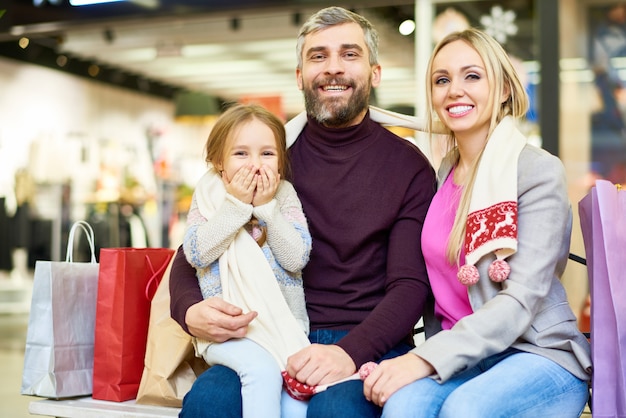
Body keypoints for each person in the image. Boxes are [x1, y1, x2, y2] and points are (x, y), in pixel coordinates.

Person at [169, 6, 437, 418]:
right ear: (300, 76)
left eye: (349, 55)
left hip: (366, 340)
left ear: (375, 73)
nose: (333, 68)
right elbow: (193, 253)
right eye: (318, 56)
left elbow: (410, 287)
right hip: (266, 332)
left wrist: (347, 353)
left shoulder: (409, 167)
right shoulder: (268, 158)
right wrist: (189, 310)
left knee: (335, 413)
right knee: (208, 404)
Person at [362, 28, 593, 418]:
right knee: (401, 408)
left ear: (503, 88)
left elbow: (520, 299)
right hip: (463, 357)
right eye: (442, 79)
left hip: (539, 354)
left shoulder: (536, 171)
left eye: (472, 76)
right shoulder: (441, 174)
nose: (455, 90)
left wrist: (422, 360)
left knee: (465, 410)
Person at [182, 103, 312, 418]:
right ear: (218, 163)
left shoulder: (284, 195)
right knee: (261, 372)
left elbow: (296, 257)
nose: (255, 164)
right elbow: (197, 252)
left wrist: (268, 209)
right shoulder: (209, 196)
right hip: (227, 333)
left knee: (297, 405)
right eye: (241, 154)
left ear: (281, 160)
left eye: (267, 154)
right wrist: (237, 206)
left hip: (284, 328)